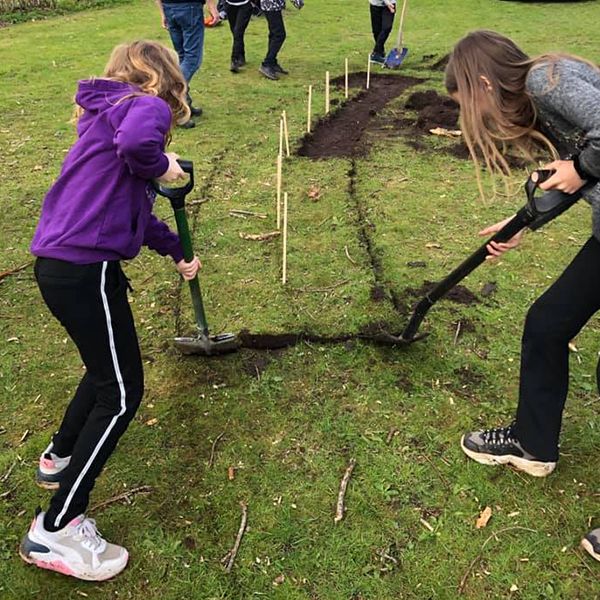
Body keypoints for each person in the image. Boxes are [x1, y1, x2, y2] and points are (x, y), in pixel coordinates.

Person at [20, 40, 201, 581]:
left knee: (104, 373)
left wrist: (177, 253)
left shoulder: (102, 124)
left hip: (60, 267)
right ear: (163, 79)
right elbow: (141, 145)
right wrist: (165, 165)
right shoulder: (142, 106)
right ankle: (56, 528)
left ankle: (58, 458)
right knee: (123, 395)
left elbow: (135, 216)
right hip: (87, 271)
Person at [445, 30, 600, 562]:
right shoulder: (541, 101)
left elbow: (588, 161)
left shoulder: (547, 79)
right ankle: (533, 446)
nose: (477, 117)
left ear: (484, 82)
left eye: (469, 102)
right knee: (548, 323)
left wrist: (579, 168)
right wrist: (520, 224)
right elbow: (574, 177)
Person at [156, 0, 219, 127]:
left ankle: (185, 103)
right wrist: (212, 7)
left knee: (182, 56)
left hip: (169, 7)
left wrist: (163, 12)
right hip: (189, 7)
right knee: (192, 59)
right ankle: (174, 103)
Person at [258, 0, 303, 81]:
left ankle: (272, 62)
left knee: (274, 34)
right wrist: (298, 2)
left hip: (270, 5)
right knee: (279, 35)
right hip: (271, 5)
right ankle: (267, 64)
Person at [225, 0, 253, 73]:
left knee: (238, 32)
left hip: (245, 5)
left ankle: (234, 60)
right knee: (235, 33)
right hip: (230, 5)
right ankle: (241, 56)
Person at [369, 0, 396, 65]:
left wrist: (389, 4)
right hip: (375, 4)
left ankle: (376, 53)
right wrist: (387, 2)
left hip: (390, 4)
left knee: (387, 27)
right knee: (376, 31)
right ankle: (380, 52)